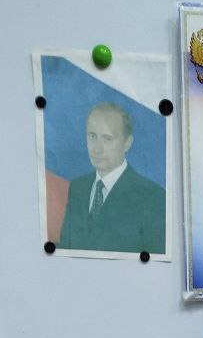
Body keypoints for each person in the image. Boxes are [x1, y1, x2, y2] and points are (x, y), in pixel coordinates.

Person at [58, 102, 165, 254]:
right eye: (92, 136)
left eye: (107, 139)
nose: (97, 149)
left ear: (127, 143)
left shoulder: (152, 197)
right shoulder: (77, 188)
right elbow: (64, 252)